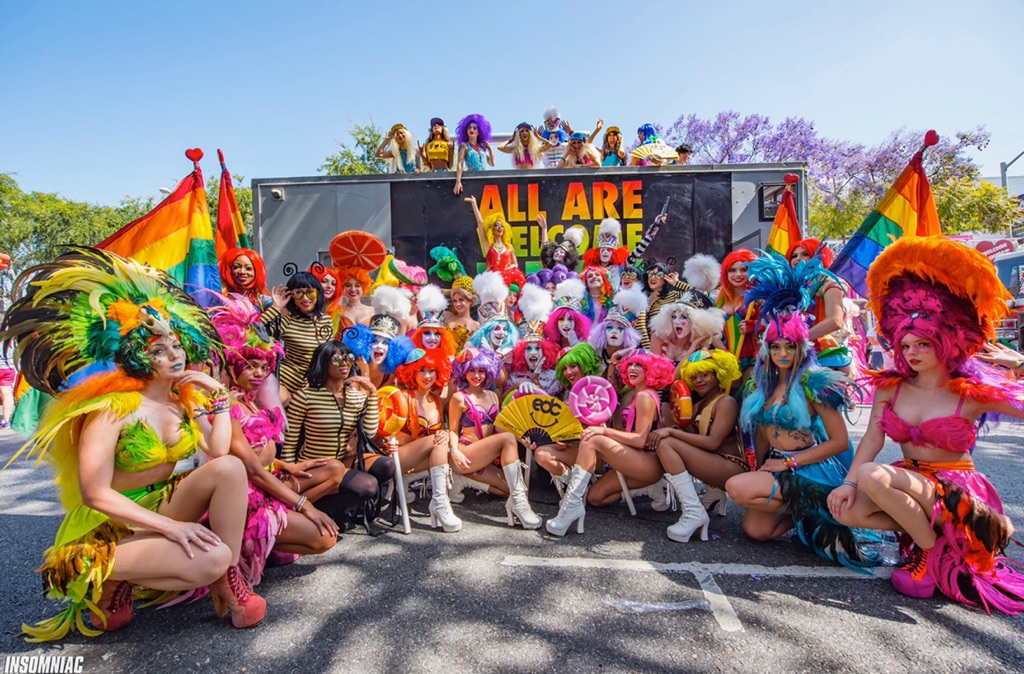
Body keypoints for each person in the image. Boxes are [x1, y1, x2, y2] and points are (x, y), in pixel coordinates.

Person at [0, 247, 266, 640]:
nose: (174, 355)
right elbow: (94, 493)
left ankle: (227, 580)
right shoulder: (113, 407)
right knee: (212, 555)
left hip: (161, 505)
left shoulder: (182, 399)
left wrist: (220, 399)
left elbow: (221, 453)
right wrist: (172, 530)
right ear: (137, 356)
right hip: (107, 528)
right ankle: (112, 581)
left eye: (176, 346)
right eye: (159, 350)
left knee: (229, 469)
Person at [827, 237, 1024, 611]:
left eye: (923, 345)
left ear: (946, 342)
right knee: (846, 508)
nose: (912, 354)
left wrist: (1018, 364)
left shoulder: (971, 393)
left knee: (873, 475)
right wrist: (848, 483)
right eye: (906, 346)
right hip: (910, 483)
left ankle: (931, 557)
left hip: (955, 492)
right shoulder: (892, 387)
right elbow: (871, 437)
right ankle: (935, 550)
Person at [724, 309, 871, 569]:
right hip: (779, 465)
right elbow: (761, 435)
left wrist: (788, 463)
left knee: (737, 487)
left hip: (808, 469)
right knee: (757, 531)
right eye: (776, 347)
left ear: (801, 348)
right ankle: (808, 513)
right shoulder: (761, 386)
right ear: (766, 350)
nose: (782, 354)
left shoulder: (815, 385)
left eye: (790, 347)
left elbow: (838, 442)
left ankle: (819, 503)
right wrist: (757, 467)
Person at [208, 295, 338, 584]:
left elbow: (257, 453)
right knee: (324, 538)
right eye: (249, 366)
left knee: (333, 470)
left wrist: (287, 465)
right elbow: (251, 468)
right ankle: (248, 544)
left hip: (271, 477)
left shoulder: (254, 401)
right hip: (248, 493)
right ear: (232, 369)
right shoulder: (228, 407)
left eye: (263, 367)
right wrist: (305, 505)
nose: (258, 373)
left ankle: (268, 538)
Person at [545, 351, 676, 537]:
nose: (632, 368)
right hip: (635, 460)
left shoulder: (644, 396)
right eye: (630, 364)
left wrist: (604, 431)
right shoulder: (636, 394)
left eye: (639, 365)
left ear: (652, 370)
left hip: (647, 461)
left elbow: (640, 439)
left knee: (593, 439)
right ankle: (645, 488)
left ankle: (571, 505)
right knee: (595, 498)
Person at [280, 341, 396, 534]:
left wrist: (372, 394)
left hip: (343, 460)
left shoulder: (356, 397)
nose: (344, 363)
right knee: (367, 485)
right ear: (323, 362)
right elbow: (291, 440)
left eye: (349, 358)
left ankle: (338, 509)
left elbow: (368, 432)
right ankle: (311, 507)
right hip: (313, 464)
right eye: (336, 358)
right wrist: (289, 471)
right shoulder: (305, 396)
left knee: (386, 466)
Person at [647, 350, 746, 542]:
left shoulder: (726, 402)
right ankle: (709, 495)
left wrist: (672, 432)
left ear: (718, 374)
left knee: (667, 442)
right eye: (694, 377)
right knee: (666, 441)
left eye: (704, 375)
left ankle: (693, 512)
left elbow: (713, 443)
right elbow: (694, 441)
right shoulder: (698, 405)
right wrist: (678, 427)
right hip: (714, 464)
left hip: (731, 467)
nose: (699, 380)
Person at [450, 348, 541, 529]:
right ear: (464, 371)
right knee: (507, 439)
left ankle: (464, 480)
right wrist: (454, 451)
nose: (477, 375)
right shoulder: (459, 398)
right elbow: (452, 429)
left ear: (488, 372)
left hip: (485, 458)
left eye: (481, 371)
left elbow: (499, 426)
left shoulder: (493, 396)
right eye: (472, 370)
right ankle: (520, 505)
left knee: (508, 489)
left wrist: (522, 439)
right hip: (466, 454)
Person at [390, 351, 462, 532]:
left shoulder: (437, 399)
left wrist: (445, 433)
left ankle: (439, 501)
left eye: (431, 371)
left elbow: (440, 436)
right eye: (421, 370)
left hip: (421, 459)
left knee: (448, 445)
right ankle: (439, 502)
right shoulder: (402, 397)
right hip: (398, 457)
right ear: (412, 372)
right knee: (439, 441)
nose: (427, 376)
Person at [262, 272, 334, 401]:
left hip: (314, 385)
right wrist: (276, 307)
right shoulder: (288, 320)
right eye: (298, 293)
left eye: (310, 292)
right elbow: (254, 332)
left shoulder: (326, 320)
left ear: (318, 293)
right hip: (286, 383)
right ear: (292, 297)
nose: (305, 298)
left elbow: (330, 354)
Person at [716, 249, 760, 385]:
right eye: (732, 270)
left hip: (754, 359)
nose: (738, 274)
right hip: (727, 358)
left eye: (744, 269)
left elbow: (773, 325)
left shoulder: (758, 297)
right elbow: (713, 333)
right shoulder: (718, 298)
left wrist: (754, 325)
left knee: (749, 394)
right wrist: (725, 354)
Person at [467, 271, 520, 358]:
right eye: (497, 328)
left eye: (505, 329)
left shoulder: (509, 351)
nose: (501, 332)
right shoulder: (473, 348)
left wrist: (494, 355)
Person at [463, 194, 517, 274]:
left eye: (502, 226)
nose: (500, 227)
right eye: (496, 225)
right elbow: (480, 223)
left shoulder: (509, 246)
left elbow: (515, 264)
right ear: (491, 229)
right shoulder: (488, 246)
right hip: (492, 279)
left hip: (507, 278)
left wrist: (508, 268)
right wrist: (474, 204)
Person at [581, 219, 629, 291]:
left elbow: (636, 254)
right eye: (603, 250)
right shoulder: (593, 269)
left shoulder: (619, 267)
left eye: (609, 250)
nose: (605, 252)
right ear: (598, 252)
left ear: (613, 253)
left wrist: (649, 236)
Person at [543, 278, 591, 349]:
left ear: (577, 322)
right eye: (561, 319)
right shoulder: (550, 345)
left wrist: (578, 347)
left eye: (570, 319)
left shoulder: (587, 342)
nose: (566, 324)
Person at [453, 114, 494, 195]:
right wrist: (458, 181)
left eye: (474, 128)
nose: (471, 129)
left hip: (484, 180)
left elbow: (492, 163)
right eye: (469, 127)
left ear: (478, 132)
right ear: (466, 131)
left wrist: (490, 149)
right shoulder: (464, 146)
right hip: (471, 179)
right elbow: (460, 163)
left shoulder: (482, 148)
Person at [447, 276, 479, 355]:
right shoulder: (447, 315)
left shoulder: (475, 325)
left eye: (461, 300)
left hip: (461, 365)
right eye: (455, 300)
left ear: (470, 301)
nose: (457, 304)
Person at [309, 264, 344, 332]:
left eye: (333, 284)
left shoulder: (336, 311)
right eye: (324, 281)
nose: (329, 286)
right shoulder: (301, 307)